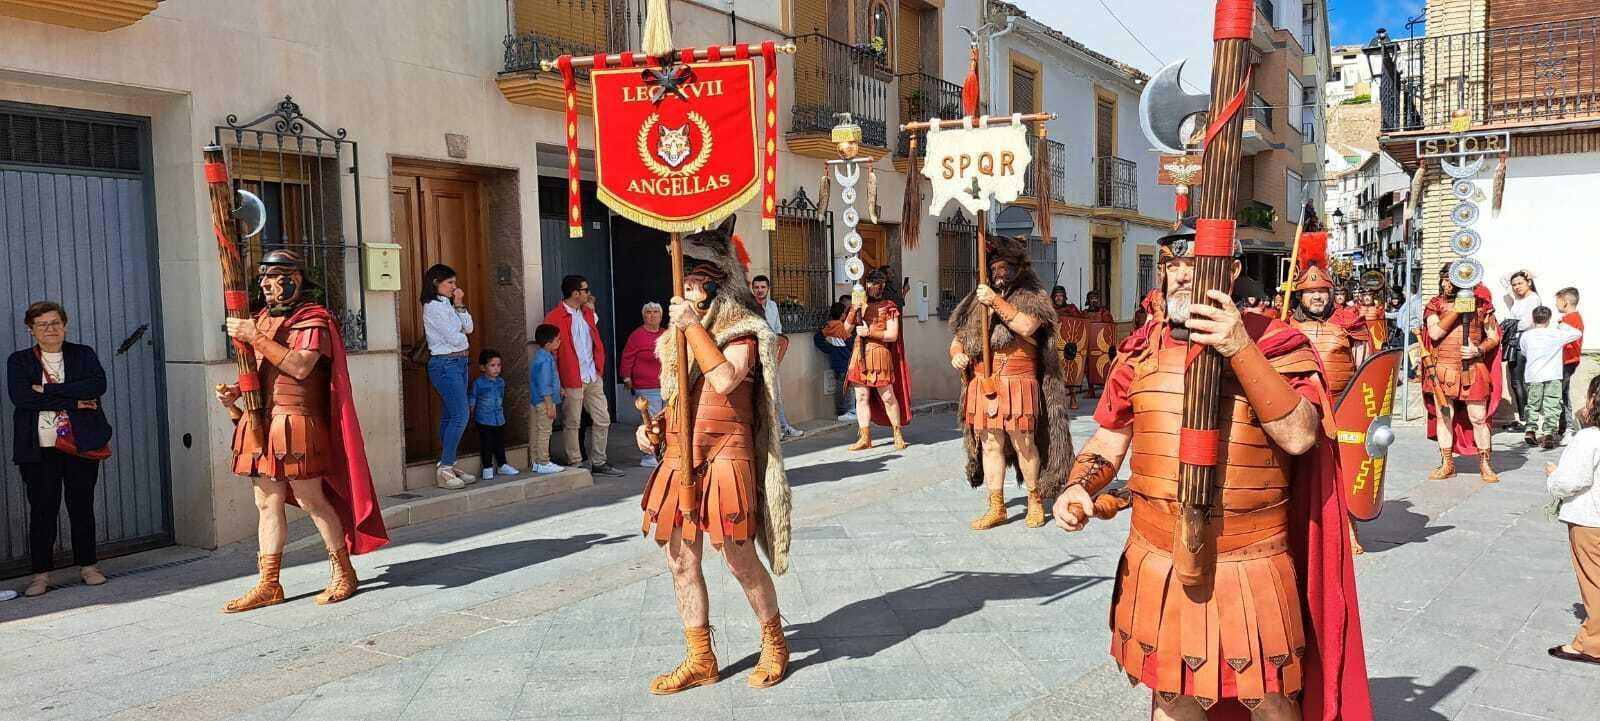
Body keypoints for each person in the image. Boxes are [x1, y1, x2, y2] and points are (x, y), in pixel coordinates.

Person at [1052, 222, 1371, 721]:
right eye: (1173, 265)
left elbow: (1300, 435)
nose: (1182, 276)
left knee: (1268, 695)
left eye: (1197, 264)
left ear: (1233, 271)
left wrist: (1239, 346)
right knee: (1173, 694)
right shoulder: (1140, 351)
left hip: (1251, 561)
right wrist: (1077, 485)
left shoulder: (1277, 343)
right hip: (1156, 556)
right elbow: (1111, 437)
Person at [633, 216, 793, 693]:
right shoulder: (674, 338)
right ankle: (700, 656)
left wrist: (690, 329)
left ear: (716, 281)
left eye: (696, 277)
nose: (687, 287)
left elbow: (724, 380)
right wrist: (656, 429)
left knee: (738, 558)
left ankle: (774, 641)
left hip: (728, 451)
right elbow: (681, 393)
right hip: (682, 453)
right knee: (680, 560)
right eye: (685, 278)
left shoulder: (746, 328)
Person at [217, 250, 388, 613]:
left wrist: (254, 336)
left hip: (295, 420)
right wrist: (237, 391)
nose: (264, 282)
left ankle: (344, 572)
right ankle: (268, 583)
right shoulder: (261, 318)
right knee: (266, 502)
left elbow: (298, 366)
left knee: (312, 499)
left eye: (273, 275)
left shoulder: (313, 319)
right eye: (262, 276)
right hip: (263, 418)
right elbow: (264, 369)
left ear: (294, 278)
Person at [950, 235, 1075, 530]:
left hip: (1018, 379)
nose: (998, 272)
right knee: (991, 445)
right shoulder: (977, 300)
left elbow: (1026, 326)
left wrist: (995, 303)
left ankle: (1034, 501)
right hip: (984, 381)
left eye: (1004, 267)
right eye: (994, 267)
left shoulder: (1031, 294)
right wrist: (957, 354)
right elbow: (958, 340)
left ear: (1017, 267)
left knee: (1024, 443)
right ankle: (997, 506)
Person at [7, 301, 111, 598]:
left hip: (80, 445)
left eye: (55, 323)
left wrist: (48, 390)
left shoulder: (83, 354)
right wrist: (74, 401)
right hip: (39, 448)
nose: (50, 329)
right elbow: (22, 398)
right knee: (43, 510)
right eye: (42, 325)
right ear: (31, 331)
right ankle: (40, 575)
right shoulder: (19, 361)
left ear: (65, 325)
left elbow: (96, 386)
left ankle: (88, 566)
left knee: (81, 506)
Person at [1422, 264, 1503, 481]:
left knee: (1478, 418)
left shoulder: (1482, 305)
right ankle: (1447, 463)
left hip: (1473, 368)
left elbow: (1494, 336)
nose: (1445, 283)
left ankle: (1485, 464)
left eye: (1450, 279)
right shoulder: (1435, 304)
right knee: (1444, 416)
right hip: (1443, 369)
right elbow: (1435, 332)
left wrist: (1478, 349)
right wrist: (1458, 309)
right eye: (1443, 278)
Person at [543, 275, 623, 477]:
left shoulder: (587, 313)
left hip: (592, 375)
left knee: (603, 419)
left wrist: (598, 369)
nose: (589, 293)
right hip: (571, 377)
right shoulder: (554, 317)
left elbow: (594, 341)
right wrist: (557, 382)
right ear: (575, 293)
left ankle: (599, 461)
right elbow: (550, 354)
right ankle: (576, 463)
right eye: (585, 290)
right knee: (572, 423)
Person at [1546, 375, 1600, 666]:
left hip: (1591, 520)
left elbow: (1573, 480)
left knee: (1594, 582)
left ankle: (1591, 644)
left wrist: (1554, 477)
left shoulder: (1590, 437)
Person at [421, 263, 476, 489]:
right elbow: (455, 338)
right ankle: (445, 467)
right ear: (436, 283)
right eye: (450, 283)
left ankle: (449, 463)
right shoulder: (432, 307)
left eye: (454, 283)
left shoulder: (448, 304)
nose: (455, 287)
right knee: (460, 416)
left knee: (450, 414)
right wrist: (461, 333)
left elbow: (468, 328)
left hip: (460, 361)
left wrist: (460, 305)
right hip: (446, 363)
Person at [844, 269, 912, 451]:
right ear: (866, 284)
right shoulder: (859, 304)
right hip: (859, 354)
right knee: (861, 396)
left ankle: (897, 434)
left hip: (879, 354)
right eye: (874, 282)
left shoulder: (889, 306)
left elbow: (892, 334)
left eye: (880, 282)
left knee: (888, 396)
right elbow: (845, 330)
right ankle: (865, 437)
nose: (877, 286)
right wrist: (854, 310)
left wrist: (869, 332)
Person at [1519, 307, 1583, 449]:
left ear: (1533, 318)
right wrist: (1562, 324)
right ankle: (1548, 433)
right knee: (1552, 405)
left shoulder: (1526, 335)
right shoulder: (1556, 334)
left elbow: (1524, 351)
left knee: (1532, 404)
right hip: (1553, 375)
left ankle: (1530, 430)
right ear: (1548, 319)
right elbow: (1577, 333)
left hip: (1533, 375)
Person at [751, 275, 803, 439]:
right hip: (753, 356)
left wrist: (778, 350)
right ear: (752, 289)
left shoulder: (773, 305)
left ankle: (782, 427)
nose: (760, 290)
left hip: (771, 355)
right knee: (757, 395)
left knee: (776, 393)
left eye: (763, 287)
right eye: (757, 287)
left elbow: (778, 329)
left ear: (768, 288)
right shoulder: (749, 306)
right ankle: (768, 431)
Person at [621, 302, 667, 467]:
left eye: (656, 312)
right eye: (649, 312)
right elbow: (627, 357)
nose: (653, 315)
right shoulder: (637, 335)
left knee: (666, 421)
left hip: (666, 384)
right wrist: (626, 377)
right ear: (644, 316)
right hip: (646, 386)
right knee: (651, 422)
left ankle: (664, 453)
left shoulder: (665, 333)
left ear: (661, 316)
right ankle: (649, 457)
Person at [1504, 270, 1543, 431]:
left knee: (1519, 380)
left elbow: (1527, 323)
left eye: (1520, 283)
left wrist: (1510, 324)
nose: (1516, 287)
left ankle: (1527, 420)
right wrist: (1519, 271)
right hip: (1515, 340)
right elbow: (1503, 279)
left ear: (1528, 282)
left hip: (1523, 340)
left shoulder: (1533, 298)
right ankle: (1525, 418)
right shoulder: (1518, 299)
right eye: (1514, 284)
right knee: (1517, 381)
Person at [470, 349, 516, 480]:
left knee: (500, 443)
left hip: (499, 419)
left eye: (499, 365)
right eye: (492, 365)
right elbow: (473, 398)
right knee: (487, 444)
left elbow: (501, 397)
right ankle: (487, 467)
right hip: (484, 419)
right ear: (483, 367)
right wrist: (472, 414)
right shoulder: (479, 383)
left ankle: (502, 465)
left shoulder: (501, 382)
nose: (496, 368)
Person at [527, 324, 563, 475]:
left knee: (535, 431)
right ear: (549, 343)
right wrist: (550, 406)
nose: (560, 342)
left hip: (535, 400)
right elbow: (545, 385)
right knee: (544, 432)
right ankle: (543, 461)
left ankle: (536, 461)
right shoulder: (546, 360)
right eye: (557, 339)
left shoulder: (540, 357)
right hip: (544, 402)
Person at [814, 301, 855, 421]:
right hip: (845, 361)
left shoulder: (828, 327)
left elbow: (817, 339)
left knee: (842, 386)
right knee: (845, 388)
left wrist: (830, 349)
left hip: (836, 361)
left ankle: (846, 411)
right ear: (843, 314)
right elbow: (850, 344)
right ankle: (844, 412)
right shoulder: (842, 328)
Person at [1053, 286, 1088, 410]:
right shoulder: (1050, 309)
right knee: (1056, 375)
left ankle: (1073, 397)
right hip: (1055, 346)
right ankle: (1059, 401)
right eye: (1056, 295)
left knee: (1071, 372)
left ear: (1065, 297)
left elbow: (1080, 324)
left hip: (1070, 347)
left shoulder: (1071, 309)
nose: (1058, 298)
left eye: (1060, 295)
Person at [1557, 288, 1585, 438]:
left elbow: (1565, 341)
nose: (1556, 305)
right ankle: (1563, 427)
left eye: (1557, 301)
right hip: (1569, 360)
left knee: (1562, 394)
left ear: (1565, 302)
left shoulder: (1569, 319)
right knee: (1561, 393)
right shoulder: (1575, 318)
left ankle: (1569, 428)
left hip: (1567, 360)